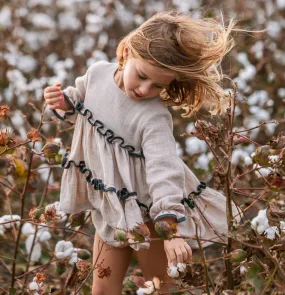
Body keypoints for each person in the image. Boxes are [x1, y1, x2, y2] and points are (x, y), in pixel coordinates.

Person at [43, 10, 241, 295]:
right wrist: (63, 101)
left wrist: (169, 231)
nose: (146, 89)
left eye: (158, 85)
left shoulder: (154, 117)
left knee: (161, 287)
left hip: (151, 215)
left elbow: (164, 169)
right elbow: (81, 100)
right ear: (126, 52)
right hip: (113, 208)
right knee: (102, 289)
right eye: (142, 76)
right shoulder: (98, 73)